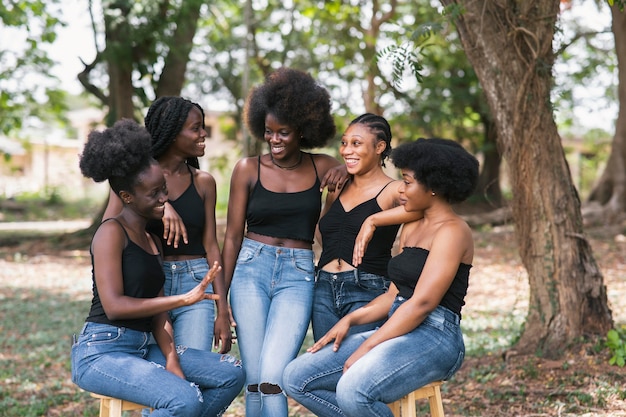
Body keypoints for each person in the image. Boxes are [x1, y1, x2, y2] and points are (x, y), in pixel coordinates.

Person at [283, 138, 479, 417]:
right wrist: (350, 320)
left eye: (408, 182)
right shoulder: (411, 226)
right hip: (400, 325)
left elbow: (422, 303)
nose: (402, 189)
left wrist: (368, 345)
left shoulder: (453, 231)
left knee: (352, 390)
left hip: (437, 336)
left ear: (434, 187)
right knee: (296, 377)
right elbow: (393, 297)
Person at [71, 119, 245, 417]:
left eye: (164, 189)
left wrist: (172, 359)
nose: (165, 198)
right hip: (102, 351)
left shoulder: (153, 240)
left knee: (231, 374)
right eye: (154, 194)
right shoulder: (111, 233)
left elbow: (159, 315)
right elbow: (114, 306)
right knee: (185, 400)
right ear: (127, 197)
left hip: (142, 347)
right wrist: (183, 299)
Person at [221, 67, 348, 417]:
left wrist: (344, 175)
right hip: (249, 270)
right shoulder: (247, 169)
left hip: (298, 274)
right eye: (268, 132)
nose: (274, 140)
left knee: (273, 376)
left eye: (284, 133)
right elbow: (231, 237)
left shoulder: (323, 166)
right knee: (255, 378)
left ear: (303, 131)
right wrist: (221, 296)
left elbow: (326, 229)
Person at [103, 96, 232, 354]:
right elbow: (108, 228)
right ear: (173, 134)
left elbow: (211, 246)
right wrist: (161, 206)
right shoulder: (134, 179)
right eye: (195, 128)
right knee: (158, 369)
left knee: (195, 365)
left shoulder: (204, 182)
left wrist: (223, 310)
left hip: (195, 281)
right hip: (149, 282)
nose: (203, 133)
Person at [312, 113, 420, 341]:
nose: (346, 150)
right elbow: (323, 228)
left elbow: (423, 207)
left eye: (356, 143)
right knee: (325, 366)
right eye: (344, 143)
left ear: (380, 146)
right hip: (322, 289)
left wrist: (373, 220)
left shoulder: (394, 189)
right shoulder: (338, 187)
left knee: (355, 368)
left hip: (367, 289)